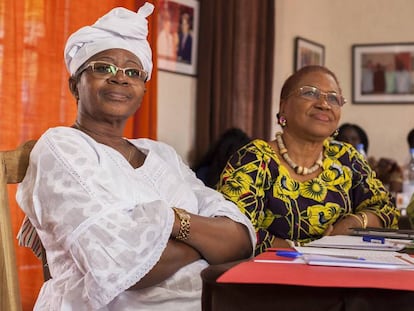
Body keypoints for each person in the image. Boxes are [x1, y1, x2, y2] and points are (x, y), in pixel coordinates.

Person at [16, 3, 255, 310]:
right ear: (75, 84)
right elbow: (118, 264)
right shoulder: (62, 147)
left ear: (143, 90)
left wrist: (167, 223)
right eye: (103, 68)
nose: (120, 78)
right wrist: (203, 241)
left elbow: (240, 239)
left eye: (133, 72)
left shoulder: (161, 154)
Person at [217, 65, 399, 255]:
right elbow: (235, 232)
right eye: (311, 93)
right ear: (283, 106)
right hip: (272, 277)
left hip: (341, 273)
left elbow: (385, 210)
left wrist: (352, 223)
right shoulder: (255, 158)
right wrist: (308, 252)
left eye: (333, 98)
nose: (324, 104)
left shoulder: (346, 157)